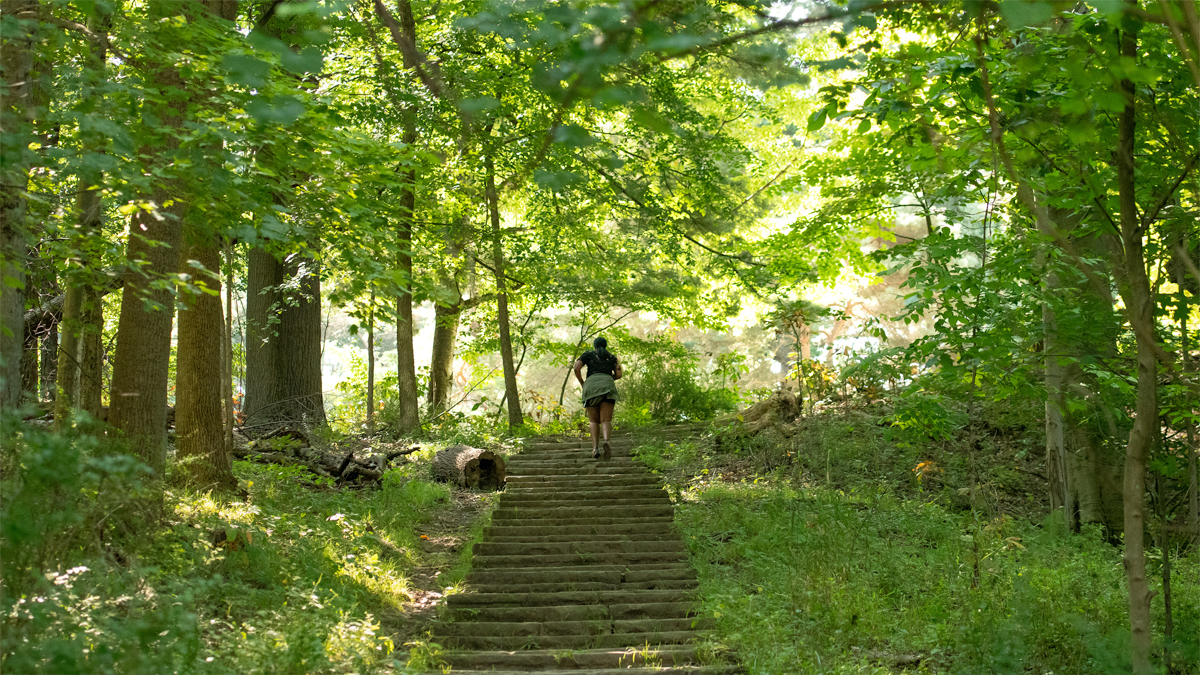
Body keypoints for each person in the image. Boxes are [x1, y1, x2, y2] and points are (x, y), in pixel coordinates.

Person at [574, 337, 623, 459]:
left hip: (591, 386)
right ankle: (607, 441)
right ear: (605, 345)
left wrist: (582, 382)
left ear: (595, 345)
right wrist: (608, 379)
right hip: (607, 385)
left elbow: (576, 368)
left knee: (593, 421)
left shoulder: (588, 354)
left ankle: (595, 449)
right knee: (606, 420)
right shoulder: (612, 357)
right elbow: (619, 374)